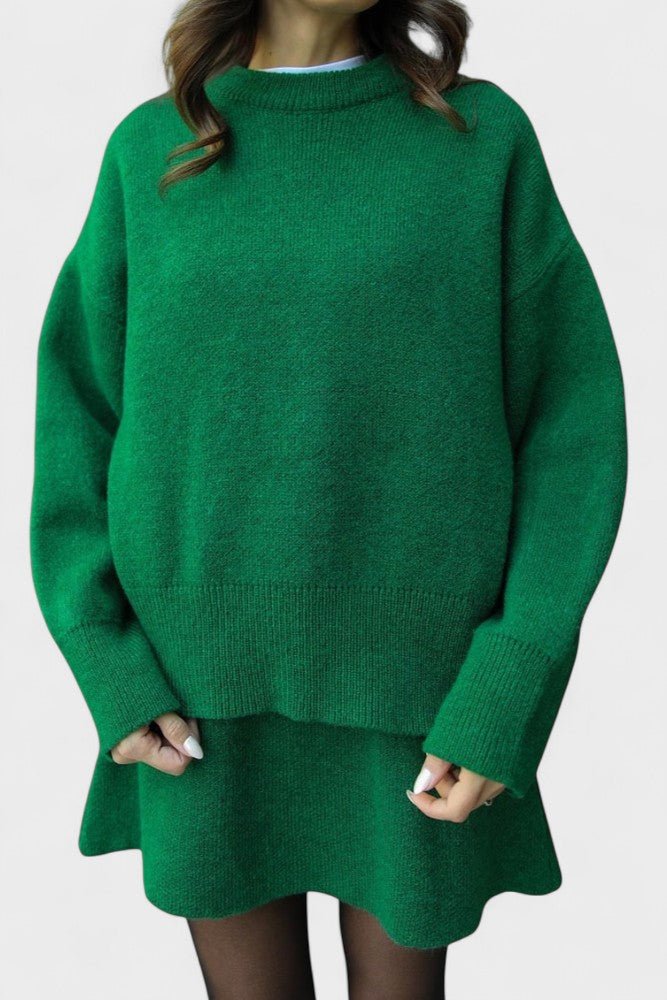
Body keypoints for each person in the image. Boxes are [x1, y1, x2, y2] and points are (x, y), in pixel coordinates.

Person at [29, 1, 628, 997]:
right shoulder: (153, 149)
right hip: (192, 707)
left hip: (422, 700)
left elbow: (572, 433)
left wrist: (507, 685)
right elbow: (77, 418)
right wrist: (108, 662)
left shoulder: (476, 140)